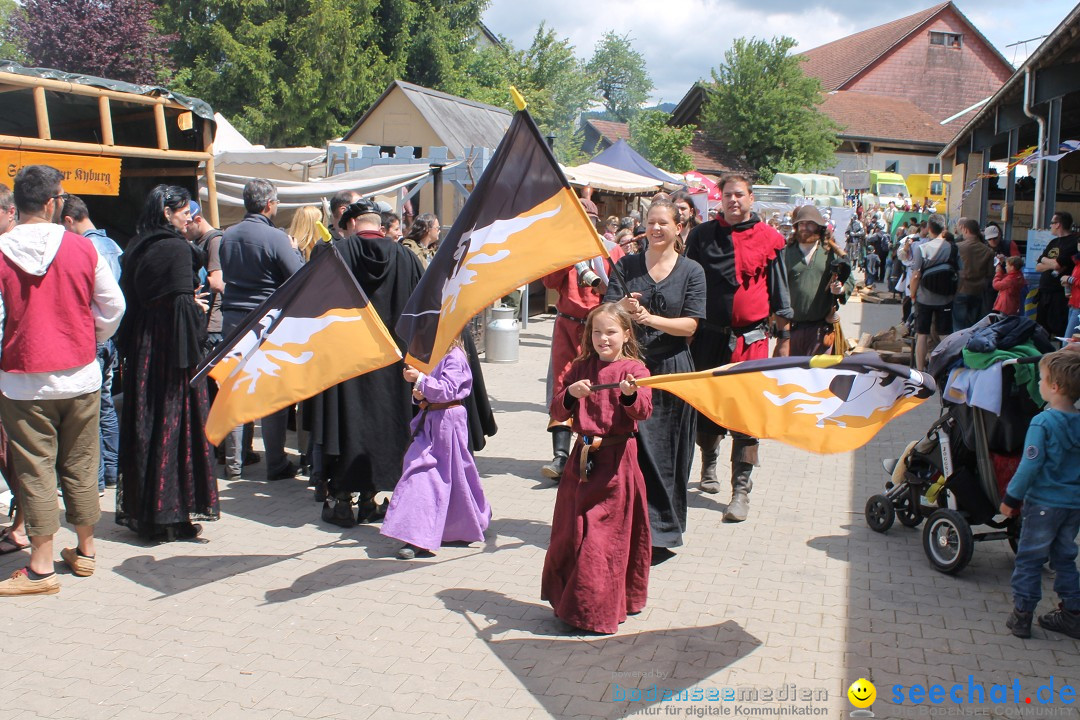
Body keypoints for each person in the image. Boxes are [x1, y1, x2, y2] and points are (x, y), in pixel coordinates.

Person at [0, 165, 124, 595]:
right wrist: (87, 337)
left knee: (35, 470)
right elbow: (113, 307)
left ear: (18, 204)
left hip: (23, 379)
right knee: (82, 463)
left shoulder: (1, 250)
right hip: (80, 374)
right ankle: (85, 551)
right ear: (54, 202)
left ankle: (40, 566)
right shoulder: (83, 249)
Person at [541, 303, 653, 634]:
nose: (603, 339)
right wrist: (570, 395)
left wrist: (631, 396)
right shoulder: (580, 367)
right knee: (572, 533)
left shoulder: (636, 370)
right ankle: (572, 602)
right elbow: (557, 411)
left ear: (626, 334)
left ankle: (595, 612)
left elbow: (644, 411)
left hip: (617, 466)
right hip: (581, 463)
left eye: (611, 332)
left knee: (602, 540)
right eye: (597, 332)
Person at [685, 175, 791, 523]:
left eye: (739, 195)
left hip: (752, 340)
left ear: (751, 197)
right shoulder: (702, 236)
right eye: (728, 195)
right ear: (721, 198)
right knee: (707, 408)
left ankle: (741, 490)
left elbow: (780, 292)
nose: (733, 201)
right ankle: (709, 463)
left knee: (746, 415)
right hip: (708, 338)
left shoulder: (770, 239)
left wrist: (784, 342)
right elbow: (687, 281)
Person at [115, 185, 218, 543]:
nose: (190, 214)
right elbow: (177, 309)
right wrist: (196, 308)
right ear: (166, 212)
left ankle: (148, 512)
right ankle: (170, 515)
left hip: (144, 346)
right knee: (174, 427)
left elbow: (134, 300)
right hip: (173, 354)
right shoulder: (174, 248)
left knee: (148, 423)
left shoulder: (136, 246)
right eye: (183, 208)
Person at [605, 199, 705, 552]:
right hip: (632, 370)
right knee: (633, 449)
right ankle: (631, 525)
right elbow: (607, 312)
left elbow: (691, 324)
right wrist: (623, 308)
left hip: (673, 372)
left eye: (664, 222)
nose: (656, 228)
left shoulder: (692, 271)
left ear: (679, 228)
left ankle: (663, 531)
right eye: (651, 222)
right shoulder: (627, 265)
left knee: (670, 451)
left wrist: (648, 318)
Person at [317, 198, 423, 527]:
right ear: (379, 224)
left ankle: (342, 502)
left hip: (346, 359)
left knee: (347, 423)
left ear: (351, 224)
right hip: (393, 362)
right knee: (385, 424)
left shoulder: (335, 255)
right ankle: (369, 499)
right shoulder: (406, 258)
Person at [220, 179, 304, 481]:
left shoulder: (227, 236)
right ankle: (276, 462)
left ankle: (233, 463)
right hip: (266, 319)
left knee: (234, 389)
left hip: (232, 318)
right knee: (270, 391)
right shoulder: (276, 237)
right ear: (269, 204)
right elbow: (297, 276)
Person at [381, 337, 491, 559]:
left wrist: (420, 380)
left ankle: (424, 535)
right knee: (421, 473)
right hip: (430, 422)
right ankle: (421, 533)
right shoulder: (432, 357)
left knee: (445, 475)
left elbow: (449, 390)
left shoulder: (455, 356)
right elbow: (428, 393)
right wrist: (419, 393)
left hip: (448, 424)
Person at [540, 197, 624, 479]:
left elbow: (618, 290)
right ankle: (560, 456)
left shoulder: (611, 249)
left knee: (597, 385)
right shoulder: (563, 249)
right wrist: (567, 256)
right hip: (567, 324)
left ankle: (592, 453)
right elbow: (550, 283)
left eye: (587, 218)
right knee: (563, 384)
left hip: (597, 328)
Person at [1000, 349, 1080, 639]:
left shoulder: (1042, 423)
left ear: (1055, 386)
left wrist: (1011, 497)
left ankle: (1022, 615)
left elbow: (1030, 465)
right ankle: (1073, 613)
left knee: (1030, 560)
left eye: (1042, 379)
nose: (1039, 384)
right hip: (1073, 506)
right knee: (1064, 558)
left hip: (1044, 504)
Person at [60, 194, 122, 495]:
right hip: (110, 336)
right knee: (105, 405)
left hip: (93, 336)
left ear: (69, 220)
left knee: (91, 411)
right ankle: (111, 470)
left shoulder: (86, 248)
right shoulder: (112, 246)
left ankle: (95, 481)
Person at [783, 205, 853, 356]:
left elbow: (849, 279)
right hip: (791, 329)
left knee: (818, 376)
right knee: (791, 377)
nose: (804, 228)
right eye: (801, 224)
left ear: (819, 227)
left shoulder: (829, 253)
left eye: (810, 224)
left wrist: (840, 289)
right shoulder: (786, 253)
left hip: (821, 331)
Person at [909, 214, 955, 371]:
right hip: (946, 298)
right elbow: (959, 273)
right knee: (945, 335)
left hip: (924, 298)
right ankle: (947, 369)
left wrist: (913, 294)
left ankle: (920, 370)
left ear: (929, 228)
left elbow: (916, 275)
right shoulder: (951, 248)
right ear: (944, 229)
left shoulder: (921, 248)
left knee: (922, 334)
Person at [1036, 212, 1079, 339]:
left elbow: (1058, 265)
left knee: (1060, 330)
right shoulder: (1053, 242)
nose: (1050, 226)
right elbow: (1038, 265)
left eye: (1052, 223)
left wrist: (1047, 262)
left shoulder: (1073, 242)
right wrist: (1051, 263)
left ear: (1058, 224)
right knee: (1040, 330)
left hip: (1060, 293)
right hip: (1045, 291)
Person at [953, 217, 995, 332]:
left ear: (966, 230)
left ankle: (958, 348)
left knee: (958, 326)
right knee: (973, 325)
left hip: (960, 289)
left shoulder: (958, 247)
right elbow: (990, 274)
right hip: (978, 291)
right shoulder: (988, 251)